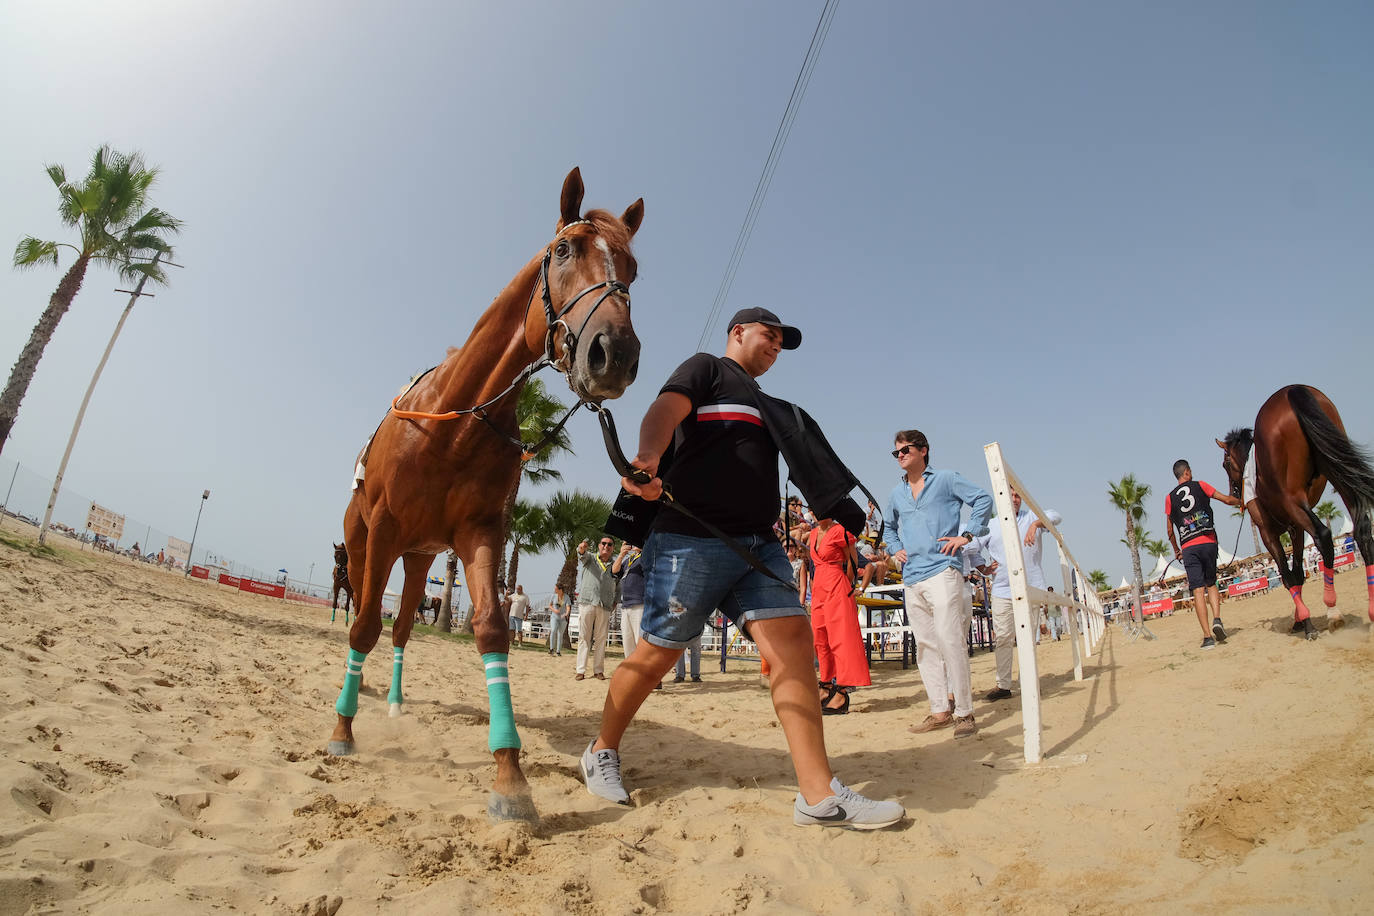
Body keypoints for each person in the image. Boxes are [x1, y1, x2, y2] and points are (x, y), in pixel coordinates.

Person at [580, 307, 904, 829]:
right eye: (769, 336)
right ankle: (601, 748)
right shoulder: (706, 368)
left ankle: (818, 796)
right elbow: (663, 411)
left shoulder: (768, 404)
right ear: (738, 333)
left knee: (794, 644)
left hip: (758, 546)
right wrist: (647, 457)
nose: (776, 347)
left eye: (782, 343)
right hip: (690, 538)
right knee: (658, 654)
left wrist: (834, 505)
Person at [885, 429, 994, 739]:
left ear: (923, 450)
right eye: (897, 452)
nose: (901, 455)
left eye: (905, 449)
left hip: (943, 569)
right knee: (926, 646)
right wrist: (895, 549)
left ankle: (964, 713)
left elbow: (983, 499)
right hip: (912, 576)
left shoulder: (946, 478)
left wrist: (968, 534)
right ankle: (939, 711)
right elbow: (889, 529)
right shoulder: (896, 494)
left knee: (950, 641)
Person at [967, 488, 1062, 701]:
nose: (1014, 499)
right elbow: (972, 548)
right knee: (1003, 639)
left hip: (1031, 587)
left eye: (1017, 495)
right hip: (1001, 590)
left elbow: (1056, 515)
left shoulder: (1032, 516)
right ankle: (1003, 685)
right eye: (1009, 495)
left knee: (1029, 638)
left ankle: (1030, 681)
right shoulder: (991, 525)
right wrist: (982, 567)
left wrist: (1036, 525)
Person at [1165, 459, 1242, 650]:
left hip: (1189, 546)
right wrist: (1242, 503)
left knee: (1198, 590)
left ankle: (1207, 637)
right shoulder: (1201, 485)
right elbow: (1225, 499)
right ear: (1188, 472)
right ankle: (1217, 618)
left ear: (1177, 476)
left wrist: (1177, 550)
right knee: (1211, 583)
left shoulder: (1169, 498)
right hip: (1208, 541)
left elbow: (1169, 530)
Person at [807, 516, 870, 714]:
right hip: (818, 588)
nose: (815, 512)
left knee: (841, 639)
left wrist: (847, 586)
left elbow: (852, 562)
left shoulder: (841, 530)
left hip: (836, 584)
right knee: (820, 638)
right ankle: (825, 685)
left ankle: (842, 692)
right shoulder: (814, 533)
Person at [613, 542, 661, 689]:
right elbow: (615, 571)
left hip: (640, 604)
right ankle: (632, 677)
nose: (631, 545)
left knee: (642, 644)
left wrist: (643, 547)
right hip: (626, 605)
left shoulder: (646, 557)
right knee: (628, 643)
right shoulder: (628, 560)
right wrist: (621, 554)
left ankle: (653, 679)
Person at [575, 537, 618, 680]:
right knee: (584, 637)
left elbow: (618, 586)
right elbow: (581, 554)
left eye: (610, 544)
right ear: (599, 546)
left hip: (605, 605)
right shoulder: (591, 558)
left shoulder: (615, 565)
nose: (606, 546)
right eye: (604, 543)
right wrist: (582, 548)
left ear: (613, 548)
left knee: (601, 639)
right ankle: (580, 670)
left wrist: (615, 602)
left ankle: (598, 670)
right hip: (587, 602)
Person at [547, 584, 571, 655]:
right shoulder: (553, 596)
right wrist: (554, 610)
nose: (555, 590)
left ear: (560, 590)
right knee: (553, 630)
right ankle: (551, 649)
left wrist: (566, 613)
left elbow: (568, 607)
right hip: (554, 617)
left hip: (563, 618)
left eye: (556, 589)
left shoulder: (566, 597)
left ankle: (558, 651)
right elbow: (550, 605)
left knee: (560, 634)